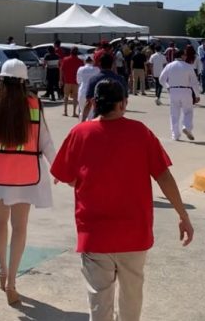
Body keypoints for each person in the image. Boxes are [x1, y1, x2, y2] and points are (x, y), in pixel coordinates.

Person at [50, 79, 193, 321]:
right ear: (123, 103)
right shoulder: (140, 132)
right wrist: (183, 215)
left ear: (94, 103)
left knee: (99, 302)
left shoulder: (79, 133)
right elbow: (164, 176)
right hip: (134, 234)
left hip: (94, 235)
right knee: (131, 298)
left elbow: (66, 176)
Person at [0, 59, 56, 306]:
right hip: (26, 176)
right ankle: (13, 282)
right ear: (24, 81)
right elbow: (44, 141)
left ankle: (1, 270)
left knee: (0, 222)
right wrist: (57, 167)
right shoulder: (35, 105)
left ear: (1, 79)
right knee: (20, 227)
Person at [159, 46, 199, 141]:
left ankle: (175, 135)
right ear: (182, 56)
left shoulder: (169, 65)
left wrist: (167, 87)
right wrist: (197, 95)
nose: (186, 56)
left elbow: (161, 79)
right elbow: (194, 82)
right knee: (188, 111)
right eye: (185, 54)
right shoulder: (188, 66)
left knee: (174, 113)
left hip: (173, 91)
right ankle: (186, 127)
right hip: (186, 91)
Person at [83, 54, 128, 121]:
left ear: (100, 64)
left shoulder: (93, 80)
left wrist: (83, 120)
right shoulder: (120, 79)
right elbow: (125, 100)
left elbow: (88, 102)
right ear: (112, 64)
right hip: (117, 116)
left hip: (99, 116)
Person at [59, 47, 83, 117]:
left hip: (67, 81)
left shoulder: (65, 60)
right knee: (75, 97)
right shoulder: (80, 61)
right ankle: (74, 113)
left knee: (66, 96)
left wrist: (60, 80)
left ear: (70, 52)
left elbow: (61, 70)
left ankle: (65, 111)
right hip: (76, 82)